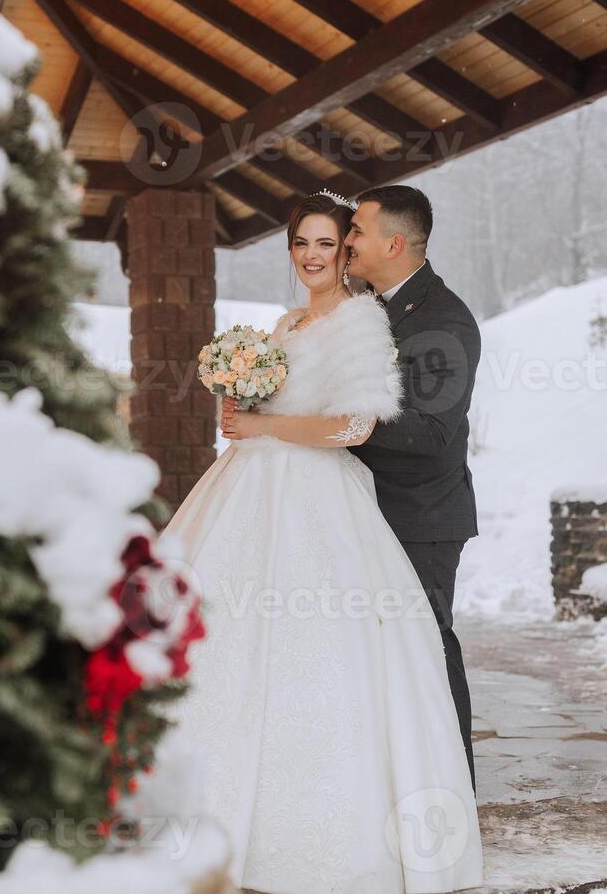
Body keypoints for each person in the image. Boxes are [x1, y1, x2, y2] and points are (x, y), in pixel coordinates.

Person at [162, 190, 483, 893]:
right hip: (258, 490)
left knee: (394, 657)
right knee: (234, 641)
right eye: (300, 243)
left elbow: (359, 425)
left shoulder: (385, 320)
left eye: (334, 240)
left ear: (354, 250)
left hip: (375, 505)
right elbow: (290, 406)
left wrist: (269, 428)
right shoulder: (285, 322)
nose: (316, 255)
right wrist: (243, 402)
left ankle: (416, 809)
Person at [344, 185, 483, 791]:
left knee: (427, 649)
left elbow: (428, 434)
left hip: (420, 518)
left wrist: (334, 425)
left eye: (356, 232)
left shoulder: (444, 319)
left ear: (393, 243)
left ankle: (454, 792)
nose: (348, 242)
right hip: (364, 511)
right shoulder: (373, 307)